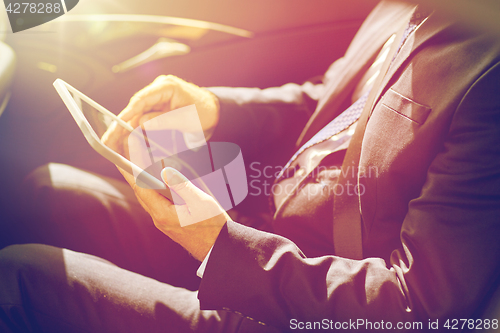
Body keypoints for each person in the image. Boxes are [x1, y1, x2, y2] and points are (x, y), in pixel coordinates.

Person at [1, 1, 500, 332]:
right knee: (51, 190)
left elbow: (419, 307)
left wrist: (222, 247)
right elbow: (329, 105)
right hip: (262, 237)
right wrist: (216, 108)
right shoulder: (408, 8)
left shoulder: (488, 77)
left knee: (18, 277)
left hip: (303, 307)